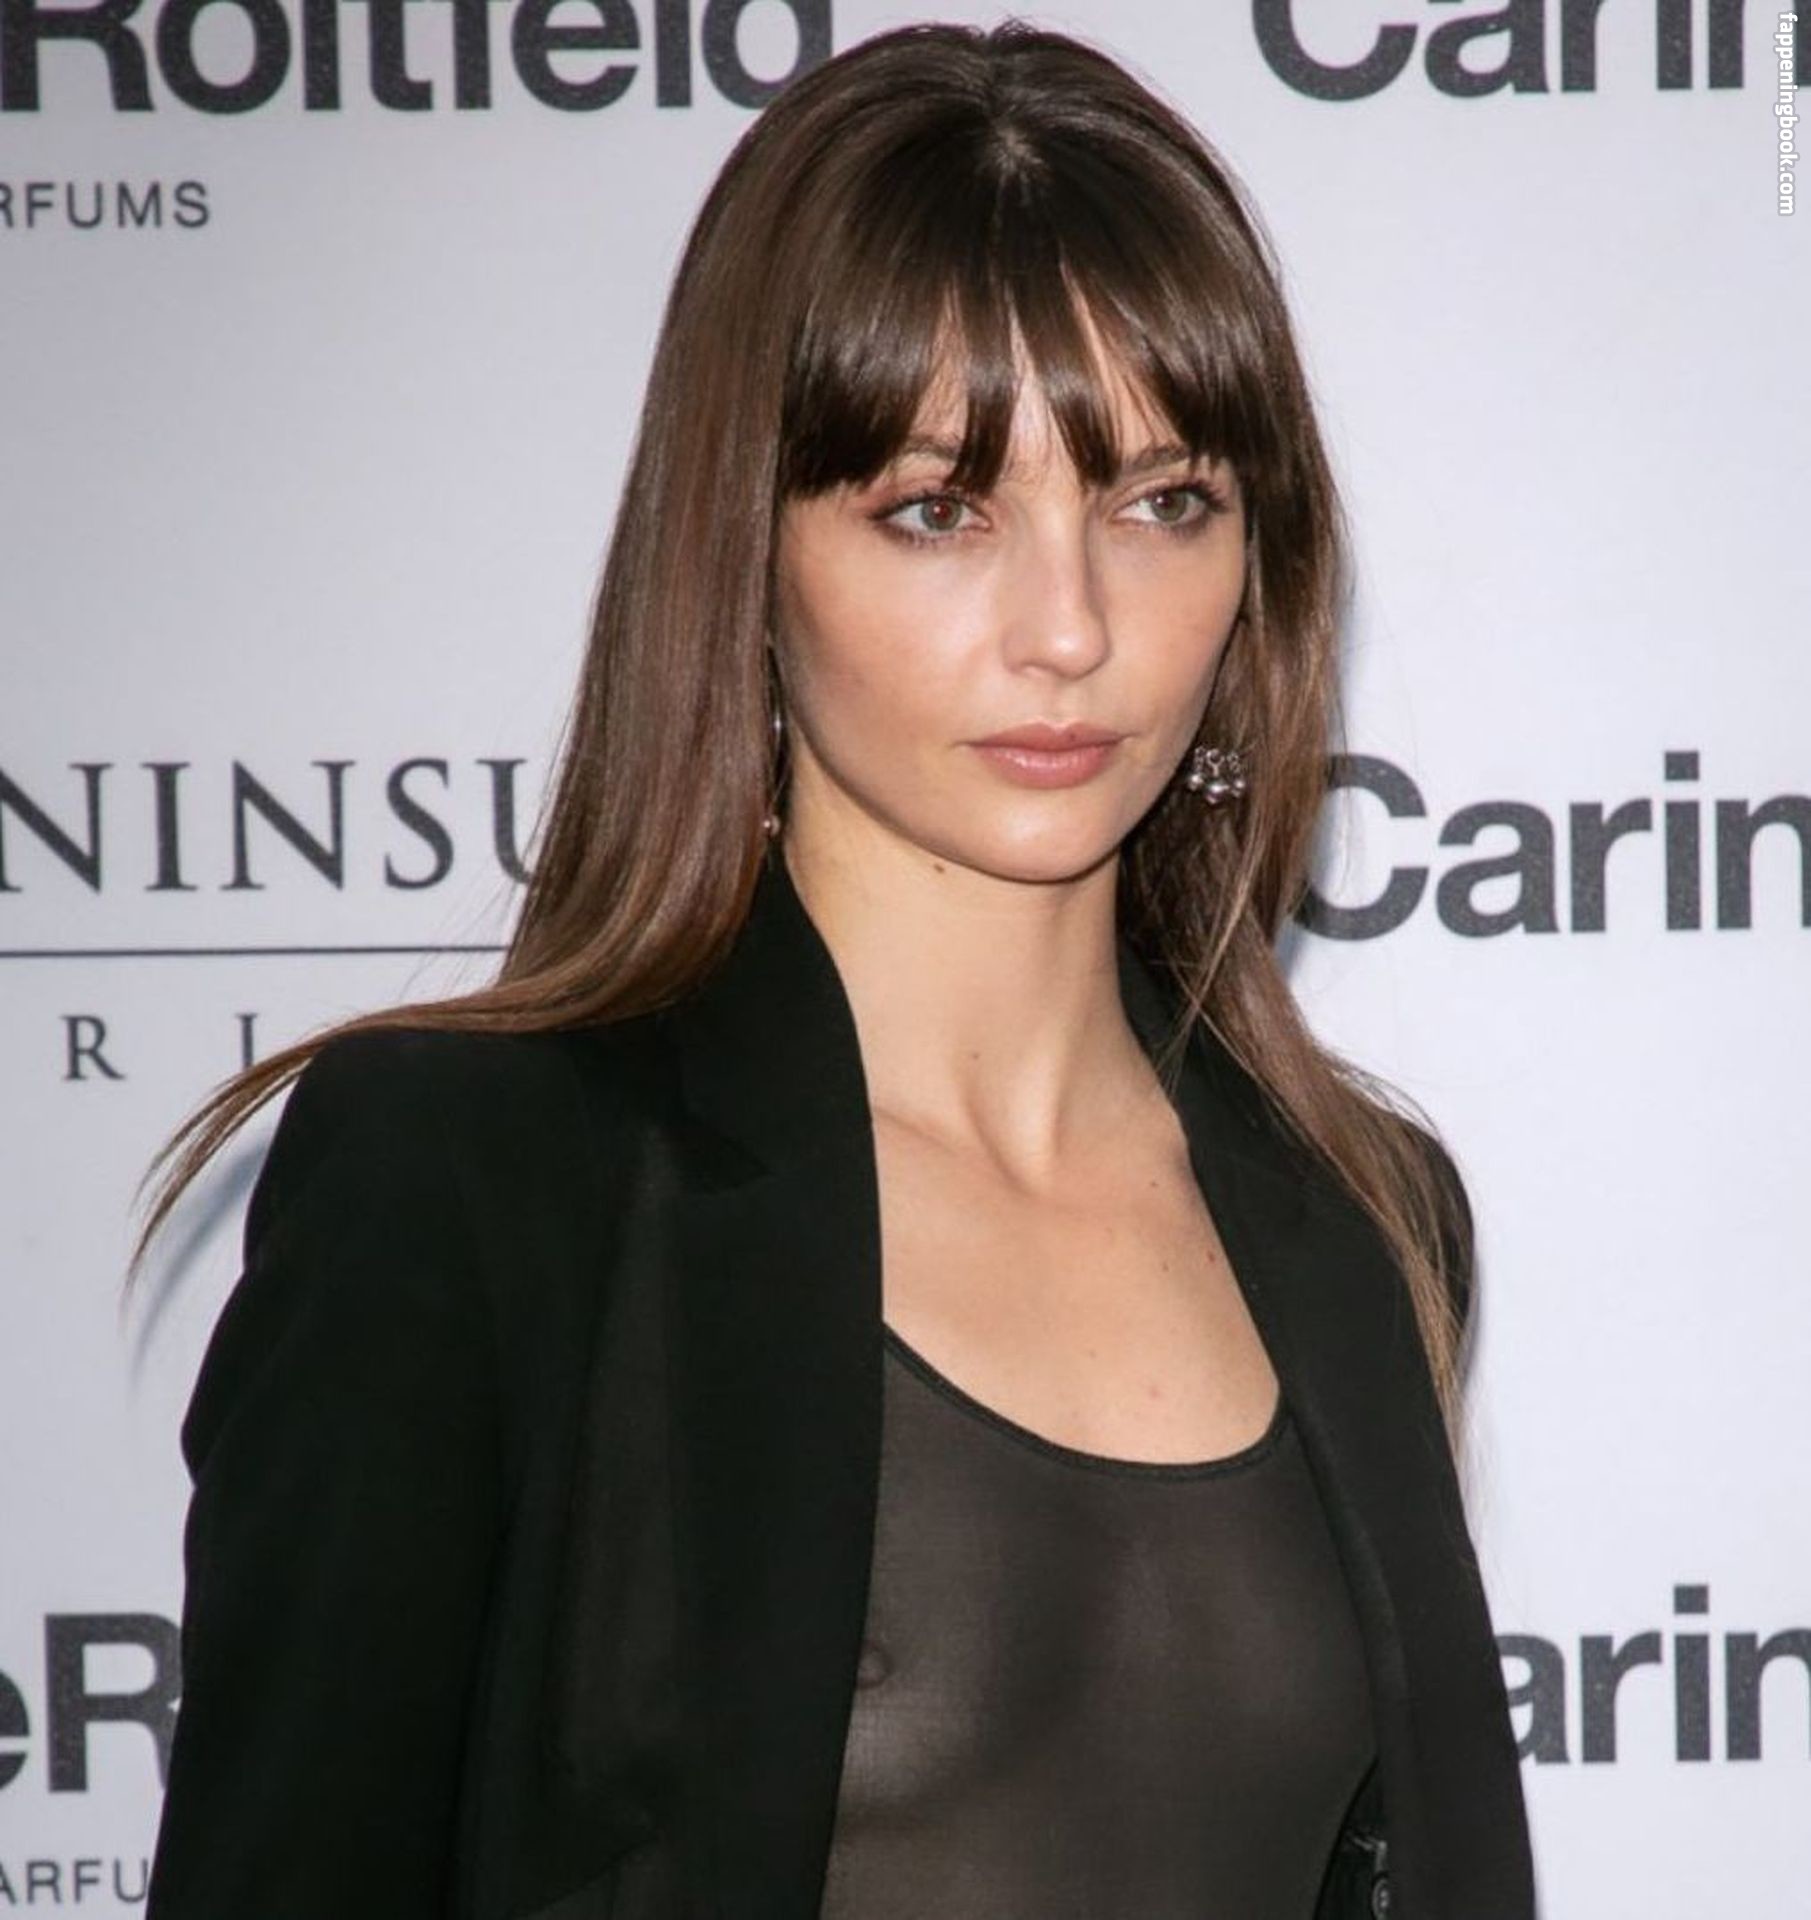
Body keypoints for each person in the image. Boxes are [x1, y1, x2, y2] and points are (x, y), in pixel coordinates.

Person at [129, 18, 1535, 1920]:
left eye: (1162, 502)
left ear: (1255, 564)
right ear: (749, 554)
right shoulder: (475, 1184)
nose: (1071, 627)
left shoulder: (1366, 1212)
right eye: (939, 509)